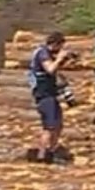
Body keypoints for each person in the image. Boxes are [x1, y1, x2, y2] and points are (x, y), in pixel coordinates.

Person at [27, 31, 77, 164]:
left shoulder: (48, 54)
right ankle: (42, 155)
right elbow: (50, 69)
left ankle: (52, 150)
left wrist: (66, 60)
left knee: (58, 124)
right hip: (43, 95)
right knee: (49, 127)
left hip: (51, 94)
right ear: (55, 44)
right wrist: (60, 58)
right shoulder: (42, 53)